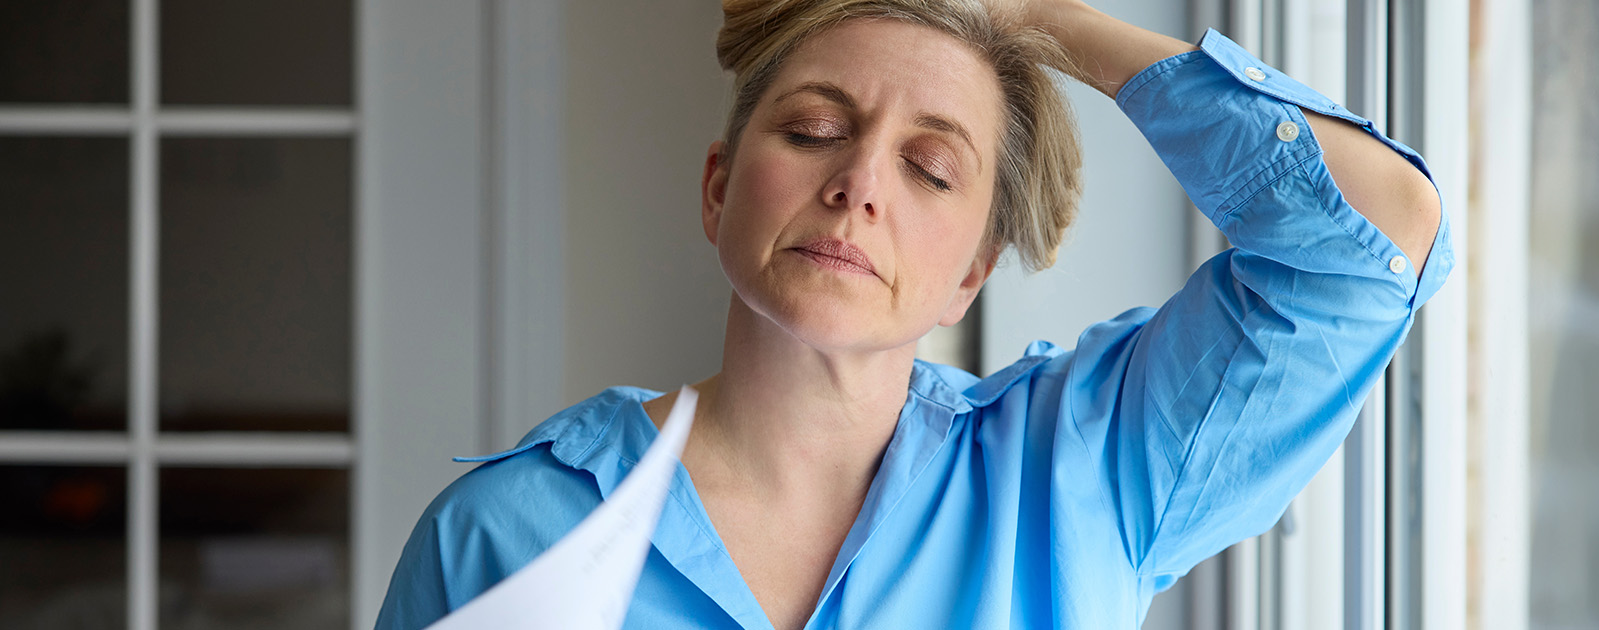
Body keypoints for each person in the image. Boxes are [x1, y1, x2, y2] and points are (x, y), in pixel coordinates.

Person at [376, 0, 1452, 628]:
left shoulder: (1084, 478)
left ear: (972, 274)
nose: (858, 185)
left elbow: (1373, 243)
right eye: (810, 131)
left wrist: (1034, 19)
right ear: (717, 188)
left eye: (931, 167)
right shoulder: (499, 537)